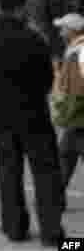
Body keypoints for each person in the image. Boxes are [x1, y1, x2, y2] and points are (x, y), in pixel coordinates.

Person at [0, 0, 64, 246]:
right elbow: (47, 80)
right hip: (33, 116)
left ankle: (15, 228)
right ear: (21, 7)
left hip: (0, 119)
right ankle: (52, 233)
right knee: (45, 172)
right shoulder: (34, 39)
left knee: (8, 171)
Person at [53, 12, 84, 192]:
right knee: (65, 157)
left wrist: (68, 113)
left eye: (63, 28)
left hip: (77, 117)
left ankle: (55, 199)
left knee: (65, 157)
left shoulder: (79, 52)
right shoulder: (74, 49)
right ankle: (55, 198)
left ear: (72, 31)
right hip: (76, 117)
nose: (60, 33)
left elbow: (79, 88)